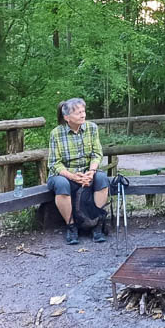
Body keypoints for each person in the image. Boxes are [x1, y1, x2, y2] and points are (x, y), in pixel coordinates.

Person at [47, 98, 110, 245]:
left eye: (83, 111)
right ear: (67, 117)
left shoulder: (92, 128)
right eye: (78, 113)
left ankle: (95, 224)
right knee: (61, 184)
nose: (83, 115)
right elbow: (54, 163)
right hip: (64, 174)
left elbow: (97, 154)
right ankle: (71, 226)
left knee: (102, 179)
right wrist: (73, 177)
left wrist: (91, 171)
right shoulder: (56, 133)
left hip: (87, 172)